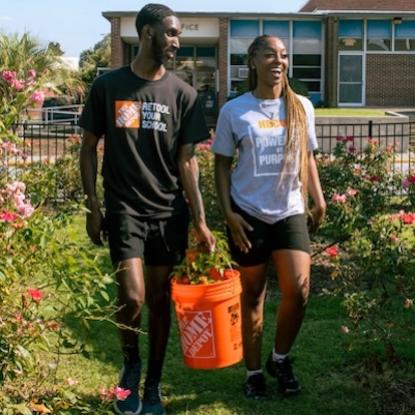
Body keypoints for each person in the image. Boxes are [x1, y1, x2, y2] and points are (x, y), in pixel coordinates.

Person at [79, 4, 215, 415]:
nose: (176, 41)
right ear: (147, 33)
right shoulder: (108, 87)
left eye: (178, 35)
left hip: (168, 212)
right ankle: (130, 365)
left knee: (159, 300)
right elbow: (88, 150)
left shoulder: (184, 95)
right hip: (124, 209)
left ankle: (153, 382)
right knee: (133, 296)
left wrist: (202, 220)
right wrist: (93, 206)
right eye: (170, 33)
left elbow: (187, 162)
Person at [213, 35, 326, 399]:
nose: (278, 61)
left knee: (299, 289)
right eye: (269, 55)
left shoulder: (301, 107)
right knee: (253, 296)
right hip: (248, 214)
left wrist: (318, 201)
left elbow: (307, 157)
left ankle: (280, 358)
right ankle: (254, 372)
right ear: (252, 61)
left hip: (290, 210)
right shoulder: (235, 110)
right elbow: (221, 164)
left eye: (283, 55)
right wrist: (229, 213)